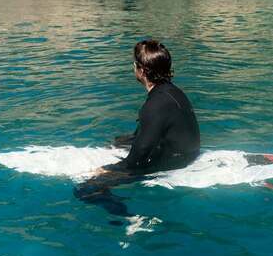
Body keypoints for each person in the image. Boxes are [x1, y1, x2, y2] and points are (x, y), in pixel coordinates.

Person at [74, 39, 201, 217]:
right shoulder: (172, 92)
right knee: (120, 140)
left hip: (175, 163)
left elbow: (138, 158)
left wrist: (109, 170)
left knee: (86, 190)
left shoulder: (155, 105)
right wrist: (119, 144)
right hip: (186, 153)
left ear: (140, 70)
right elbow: (151, 131)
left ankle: (130, 218)